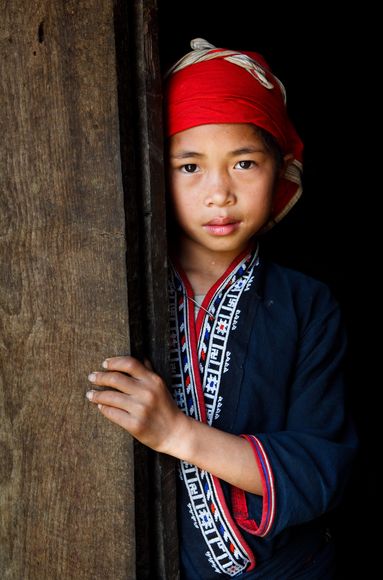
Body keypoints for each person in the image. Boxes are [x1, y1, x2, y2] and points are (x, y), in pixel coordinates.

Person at [86, 39, 357, 578]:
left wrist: (177, 434)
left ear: (280, 169)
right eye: (189, 166)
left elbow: (322, 468)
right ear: (155, 171)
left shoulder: (307, 305)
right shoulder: (106, 294)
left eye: (244, 162)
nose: (219, 193)